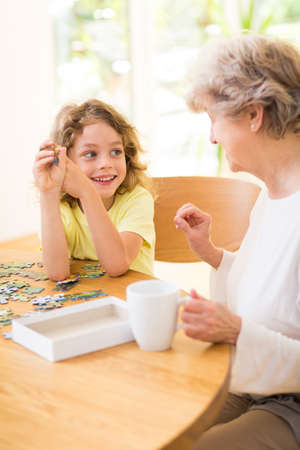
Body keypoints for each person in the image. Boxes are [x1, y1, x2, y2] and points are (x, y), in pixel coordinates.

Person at [174, 34, 300, 449]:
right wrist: (215, 257)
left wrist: (236, 330)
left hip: (292, 402)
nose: (211, 137)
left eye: (214, 118)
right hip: (255, 379)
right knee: (161, 427)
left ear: (252, 114)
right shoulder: (273, 193)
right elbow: (278, 297)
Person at [33, 99, 155, 281]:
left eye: (116, 152)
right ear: (67, 163)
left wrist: (86, 192)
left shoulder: (137, 199)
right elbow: (57, 273)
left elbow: (117, 265)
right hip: (82, 304)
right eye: (90, 154)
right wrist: (48, 193)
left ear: (127, 155)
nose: (106, 164)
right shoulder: (62, 207)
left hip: (130, 303)